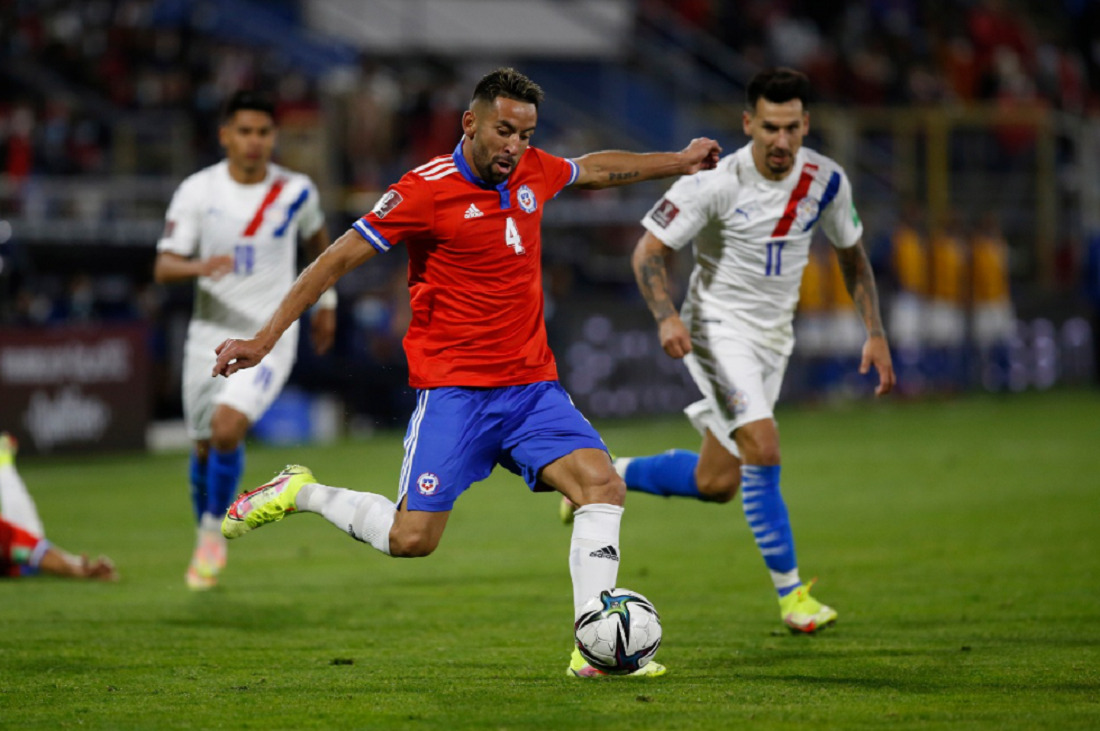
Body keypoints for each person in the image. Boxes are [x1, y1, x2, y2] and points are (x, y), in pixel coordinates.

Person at [211, 67, 721, 678]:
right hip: (456, 394)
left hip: (532, 389)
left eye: (527, 135)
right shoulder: (422, 192)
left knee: (602, 486)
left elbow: (594, 169)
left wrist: (680, 160)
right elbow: (333, 260)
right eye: (504, 131)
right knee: (412, 540)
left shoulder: (532, 170)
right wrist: (266, 338)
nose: (516, 147)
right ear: (470, 123)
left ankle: (593, 644)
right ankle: (301, 492)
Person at [563, 68, 895, 634]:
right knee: (763, 447)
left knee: (718, 482)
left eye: (792, 127)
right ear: (749, 124)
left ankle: (599, 476)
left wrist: (876, 330)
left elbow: (851, 254)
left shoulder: (827, 181)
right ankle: (794, 598)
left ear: (806, 125)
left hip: (772, 340)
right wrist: (667, 316)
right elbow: (647, 252)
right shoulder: (715, 181)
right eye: (770, 127)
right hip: (716, 331)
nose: (782, 140)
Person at [153, 90, 336, 591]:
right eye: (245, 132)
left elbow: (324, 247)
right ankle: (206, 530)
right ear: (225, 136)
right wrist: (199, 266)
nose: (254, 142)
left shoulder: (297, 190)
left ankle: (214, 536)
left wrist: (327, 303)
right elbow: (164, 265)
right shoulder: (198, 190)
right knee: (203, 447)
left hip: (269, 334)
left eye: (263, 132)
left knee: (227, 427)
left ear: (272, 137)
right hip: (207, 334)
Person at [0, 433, 118, 581]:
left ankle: (4, 466)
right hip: (17, 562)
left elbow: (38, 552)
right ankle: (4, 466)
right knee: (31, 543)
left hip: (18, 560)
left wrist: (81, 569)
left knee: (30, 546)